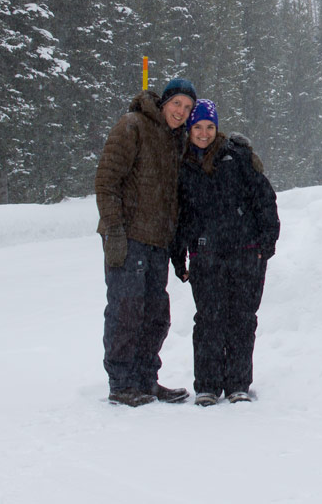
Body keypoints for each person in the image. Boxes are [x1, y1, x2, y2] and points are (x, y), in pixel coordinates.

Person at [94, 77, 198, 407]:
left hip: (158, 242)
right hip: (128, 236)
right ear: (163, 102)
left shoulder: (178, 140)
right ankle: (122, 383)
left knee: (156, 314)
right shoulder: (133, 125)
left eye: (187, 107)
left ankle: (146, 379)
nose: (181, 111)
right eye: (176, 103)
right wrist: (115, 231)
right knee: (126, 311)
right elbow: (106, 181)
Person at [171, 99, 280, 406]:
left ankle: (237, 384)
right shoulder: (183, 165)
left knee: (242, 320)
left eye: (209, 127)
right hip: (205, 256)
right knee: (208, 320)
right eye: (197, 127)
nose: (203, 133)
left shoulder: (237, 157)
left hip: (245, 254)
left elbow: (264, 200)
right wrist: (179, 256)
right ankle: (207, 385)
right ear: (189, 130)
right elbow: (180, 216)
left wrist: (265, 245)